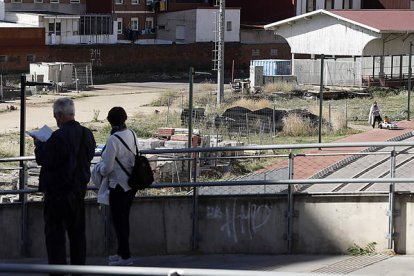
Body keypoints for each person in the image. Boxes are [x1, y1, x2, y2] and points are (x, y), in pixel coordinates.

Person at [34, 97, 96, 273]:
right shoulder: (87, 134)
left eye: (55, 116)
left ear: (60, 116)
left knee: (55, 238)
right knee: (77, 237)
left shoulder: (58, 137)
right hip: (78, 193)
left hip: (57, 194)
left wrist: (39, 145)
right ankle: (79, 270)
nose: (55, 119)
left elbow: (45, 159)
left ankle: (58, 271)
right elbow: (89, 155)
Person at [95, 107, 138, 266]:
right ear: (124, 118)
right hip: (132, 184)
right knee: (123, 220)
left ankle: (125, 257)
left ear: (110, 121)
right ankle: (121, 253)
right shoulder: (132, 133)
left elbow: (107, 168)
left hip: (118, 185)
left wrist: (98, 168)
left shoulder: (113, 140)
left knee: (119, 222)